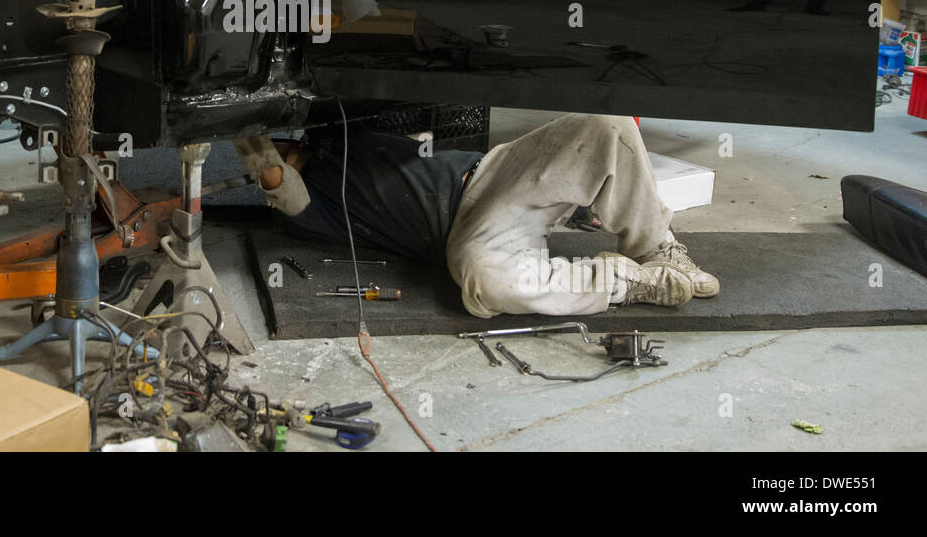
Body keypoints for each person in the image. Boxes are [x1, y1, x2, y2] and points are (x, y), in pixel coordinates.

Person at [233, 113, 719, 318]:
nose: (281, 149)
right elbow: (278, 181)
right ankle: (626, 282)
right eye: (274, 151)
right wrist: (244, 129)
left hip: (493, 172)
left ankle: (658, 248)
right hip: (471, 231)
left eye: (283, 141)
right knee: (487, 285)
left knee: (605, 127)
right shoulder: (304, 209)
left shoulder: (336, 135)